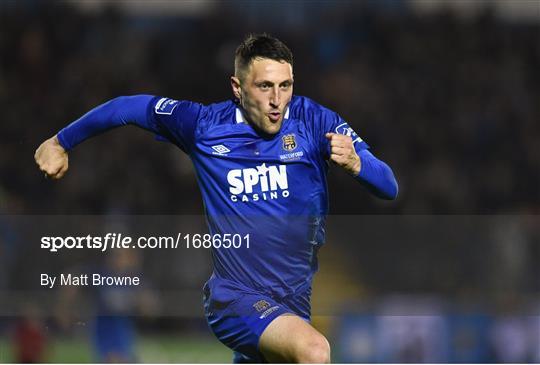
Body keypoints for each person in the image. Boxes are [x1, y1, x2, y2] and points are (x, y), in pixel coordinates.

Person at [35, 33, 398, 363]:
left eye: (285, 86)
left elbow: (389, 186)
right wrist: (60, 142)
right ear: (238, 88)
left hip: (292, 304)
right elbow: (130, 107)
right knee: (314, 350)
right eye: (265, 86)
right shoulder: (204, 126)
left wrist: (355, 164)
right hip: (234, 299)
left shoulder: (314, 121)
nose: (277, 100)